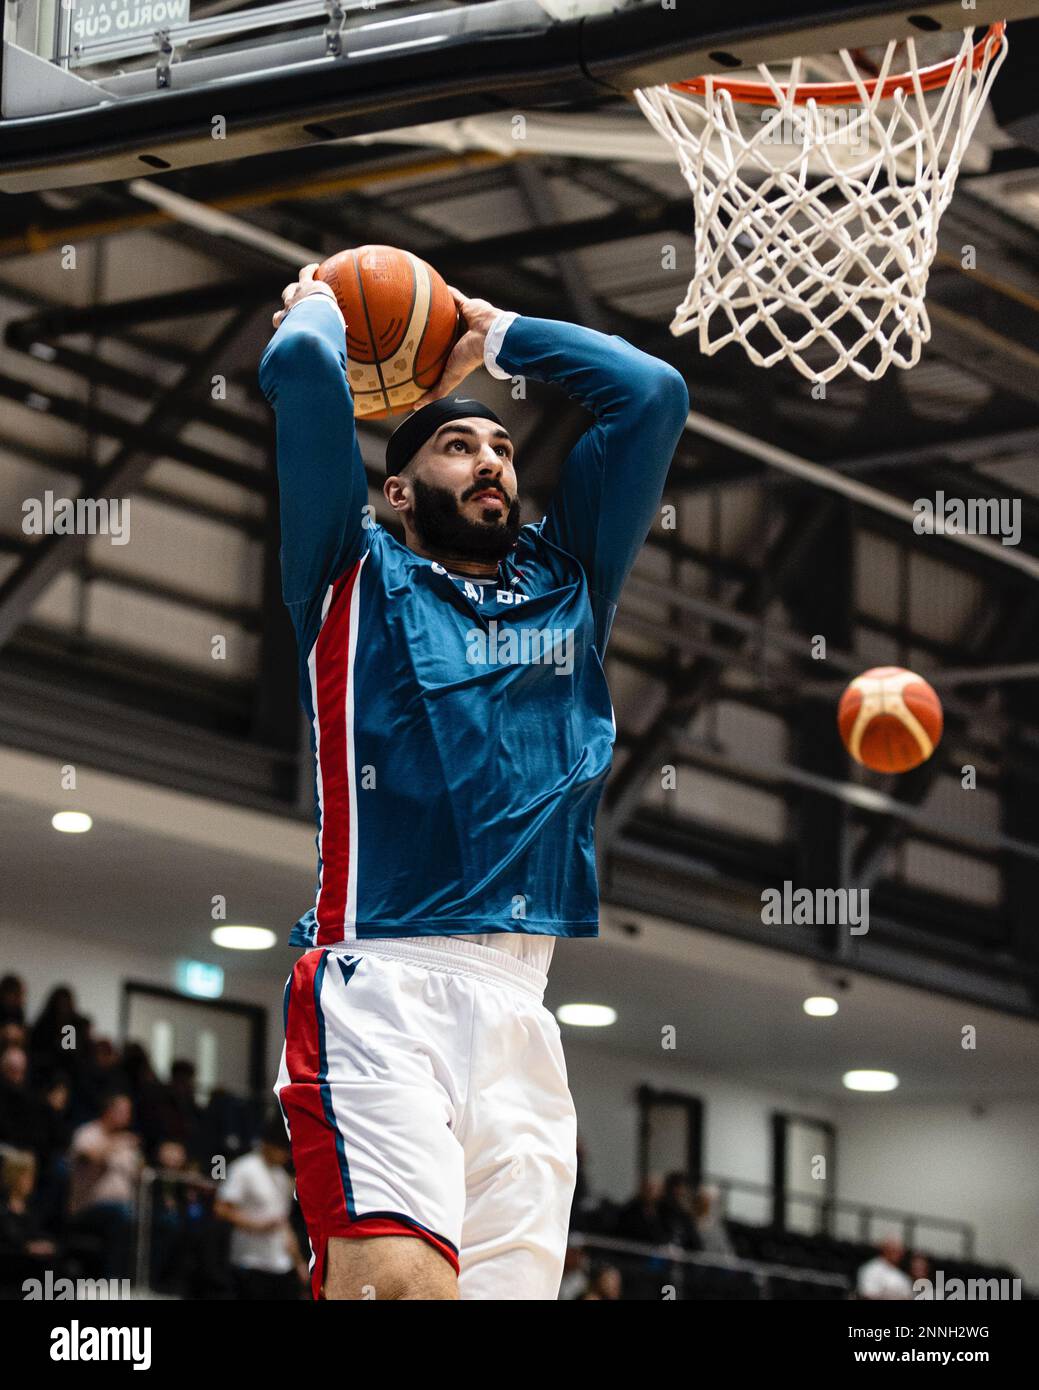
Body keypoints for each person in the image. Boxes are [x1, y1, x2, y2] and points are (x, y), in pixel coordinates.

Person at [261, 263, 689, 1301]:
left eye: (502, 445)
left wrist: (494, 331)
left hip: (522, 1013)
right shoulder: (347, 568)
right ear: (398, 490)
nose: (491, 459)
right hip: (382, 984)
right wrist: (321, 292)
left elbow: (652, 396)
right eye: (459, 445)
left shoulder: (568, 579)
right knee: (396, 1286)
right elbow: (301, 367)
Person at [214, 1122, 307, 1300]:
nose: (285, 1156)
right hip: (250, 1261)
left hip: (280, 1263)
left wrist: (299, 1262)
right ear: (268, 1145)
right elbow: (221, 1208)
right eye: (281, 1150)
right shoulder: (244, 1168)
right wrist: (256, 1225)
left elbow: (283, 1223)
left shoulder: (281, 1177)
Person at [66, 1093, 141, 1280]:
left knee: (161, 1220)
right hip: (88, 1207)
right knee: (122, 1215)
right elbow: (87, 1158)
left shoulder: (128, 1142)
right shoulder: (89, 1133)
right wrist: (114, 1145)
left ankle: (142, 1281)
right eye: (123, 1111)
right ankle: (111, 1281)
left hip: (124, 1208)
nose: (128, 1116)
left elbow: (138, 1173)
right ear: (109, 1111)